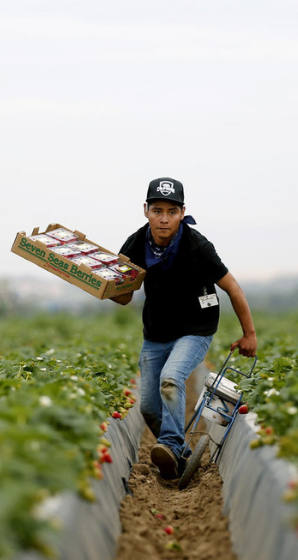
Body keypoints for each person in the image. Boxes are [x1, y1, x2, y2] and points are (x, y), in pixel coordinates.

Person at [111, 177, 257, 479]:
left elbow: (233, 288)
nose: (164, 218)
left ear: (182, 212)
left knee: (171, 378)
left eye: (172, 212)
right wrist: (111, 282)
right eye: (158, 210)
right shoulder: (136, 244)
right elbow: (124, 299)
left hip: (195, 328)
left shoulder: (197, 246)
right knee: (149, 407)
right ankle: (179, 456)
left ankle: (170, 443)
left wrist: (249, 334)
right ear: (146, 211)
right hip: (156, 333)